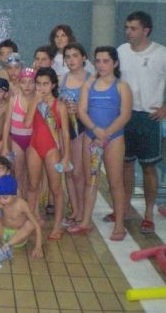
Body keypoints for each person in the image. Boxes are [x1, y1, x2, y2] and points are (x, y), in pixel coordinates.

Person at [116, 11, 166, 234]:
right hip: (126, 115)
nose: (128, 32)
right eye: (127, 27)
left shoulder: (161, 53)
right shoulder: (121, 51)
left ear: (145, 30)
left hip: (149, 117)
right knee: (125, 165)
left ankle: (148, 214)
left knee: (148, 167)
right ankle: (125, 208)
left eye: (133, 28)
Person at [73, 46, 132, 241]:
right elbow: (81, 111)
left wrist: (106, 133)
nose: (101, 65)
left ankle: (120, 224)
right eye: (98, 61)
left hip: (113, 138)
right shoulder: (89, 85)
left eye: (105, 61)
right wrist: (95, 130)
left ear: (115, 63)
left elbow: (125, 115)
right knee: (92, 179)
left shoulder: (121, 86)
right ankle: (85, 221)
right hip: (91, 136)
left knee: (115, 182)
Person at [25, 67, 71, 241]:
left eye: (45, 84)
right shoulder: (34, 102)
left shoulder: (59, 105)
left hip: (52, 149)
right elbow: (27, 123)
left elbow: (65, 133)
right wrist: (35, 103)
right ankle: (31, 221)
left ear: (53, 85)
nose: (41, 88)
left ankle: (57, 225)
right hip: (34, 147)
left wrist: (66, 156)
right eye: (38, 84)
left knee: (56, 189)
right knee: (32, 186)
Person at [59, 43, 91, 226]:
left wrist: (79, 111)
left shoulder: (91, 80)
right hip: (66, 128)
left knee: (79, 172)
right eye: (68, 56)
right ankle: (75, 209)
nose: (71, 60)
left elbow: (95, 109)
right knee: (69, 171)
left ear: (84, 58)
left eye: (75, 56)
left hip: (82, 128)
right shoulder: (63, 79)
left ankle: (82, 209)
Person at [0, 175, 43, 258]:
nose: (2, 200)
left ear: (14, 195)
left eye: (5, 198)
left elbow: (36, 225)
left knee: (30, 223)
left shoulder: (22, 204)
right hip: (3, 234)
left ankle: (8, 244)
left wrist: (38, 247)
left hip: (18, 237)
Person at [2, 67, 35, 196]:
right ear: (19, 83)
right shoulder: (14, 100)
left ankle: (32, 204)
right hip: (17, 140)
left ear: (35, 83)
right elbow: (7, 123)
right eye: (24, 82)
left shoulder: (38, 100)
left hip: (33, 140)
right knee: (18, 172)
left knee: (33, 174)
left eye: (30, 82)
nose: (27, 85)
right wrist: (5, 145)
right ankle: (19, 200)